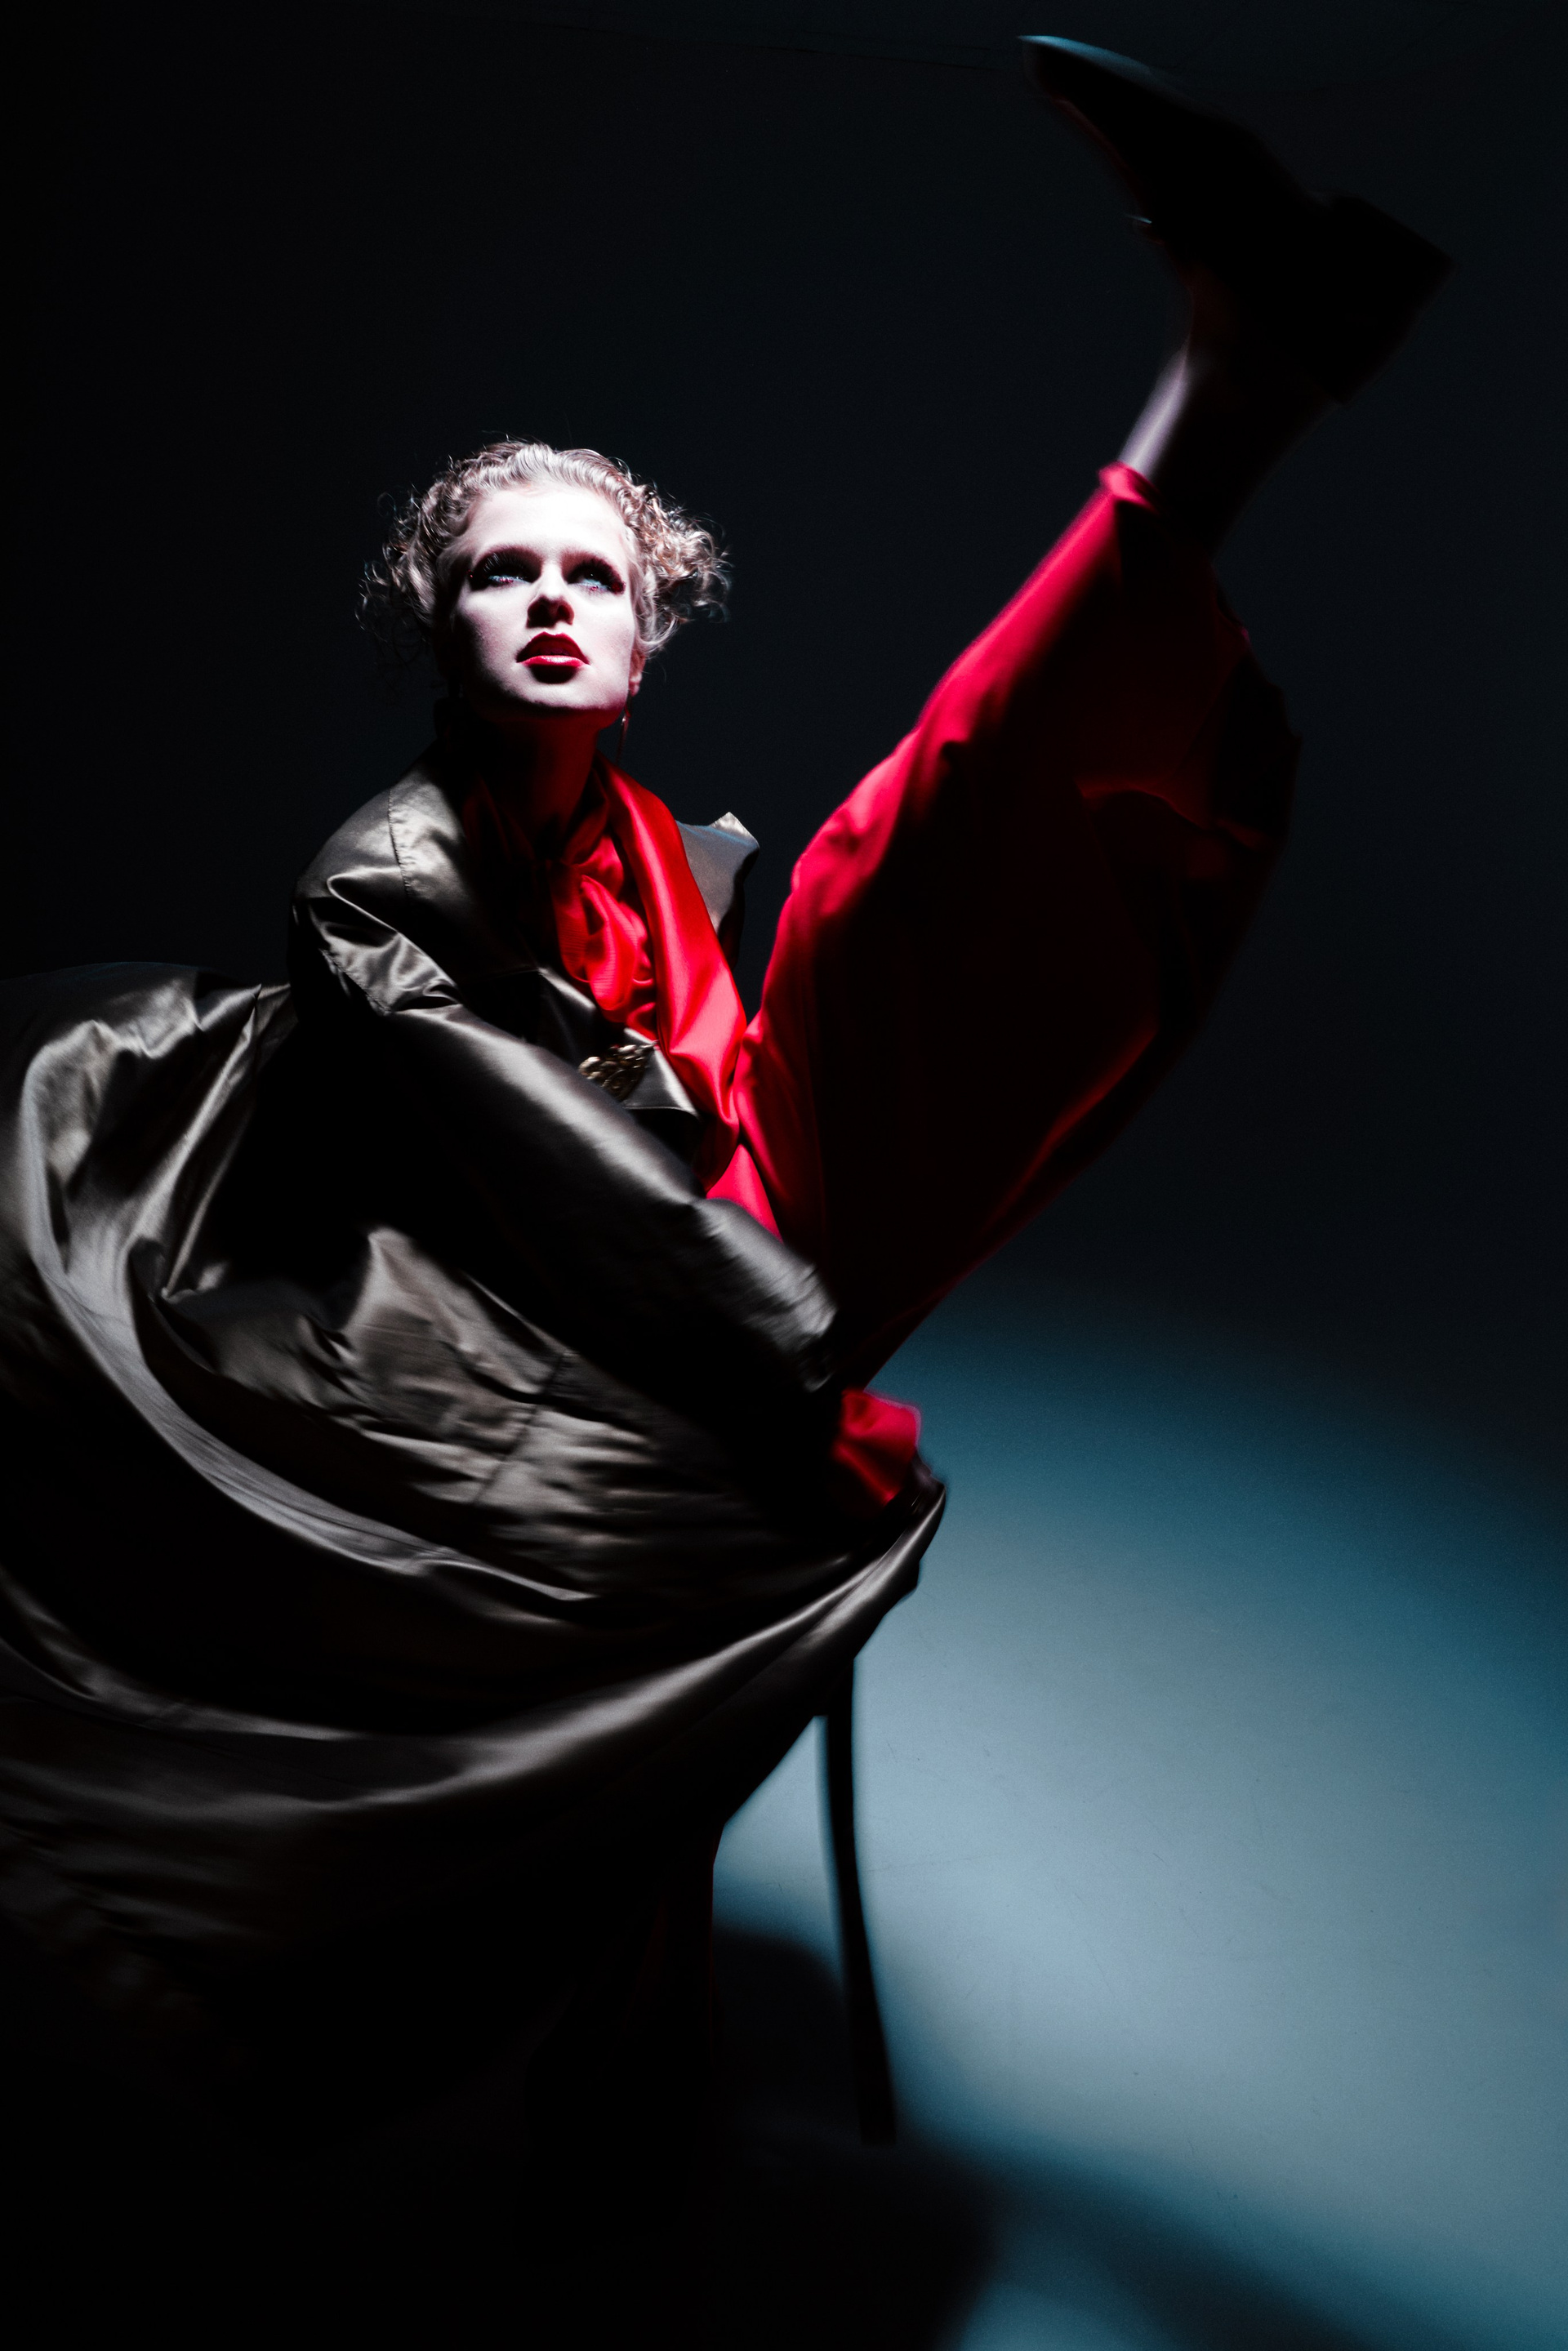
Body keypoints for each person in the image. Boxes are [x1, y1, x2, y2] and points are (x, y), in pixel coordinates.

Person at [0, 41, 1447, 2175]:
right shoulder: (383, 873)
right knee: (866, 963)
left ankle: (1234, 387)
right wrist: (778, 1340)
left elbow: (695, 1112)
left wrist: (762, 1285)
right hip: (475, 1342)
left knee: (893, 868)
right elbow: (557, 1173)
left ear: (652, 628)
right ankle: (1237, 384)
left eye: (596, 575)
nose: (553, 600)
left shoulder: (649, 838)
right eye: (504, 572)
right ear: (436, 623)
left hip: (687, 1263)